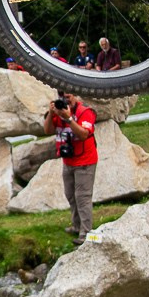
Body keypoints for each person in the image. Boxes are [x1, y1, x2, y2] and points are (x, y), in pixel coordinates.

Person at [47, 92, 99, 243]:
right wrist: (51, 114)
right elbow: (48, 130)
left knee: (82, 197)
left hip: (85, 161)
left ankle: (86, 233)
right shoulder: (58, 111)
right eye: (62, 96)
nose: (65, 100)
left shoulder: (86, 112)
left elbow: (83, 134)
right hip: (68, 162)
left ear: (75, 96)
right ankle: (77, 226)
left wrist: (69, 119)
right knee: (70, 195)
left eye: (68, 96)